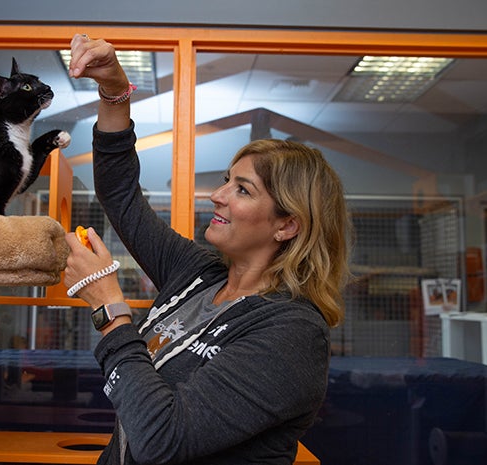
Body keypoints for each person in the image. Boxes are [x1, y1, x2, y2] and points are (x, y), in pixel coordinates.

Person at [63, 33, 352, 465]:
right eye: (225, 181)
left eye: (242, 189)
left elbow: (164, 440)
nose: (217, 196)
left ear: (287, 225)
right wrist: (114, 91)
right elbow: (119, 192)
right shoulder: (198, 274)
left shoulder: (292, 334)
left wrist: (110, 310)